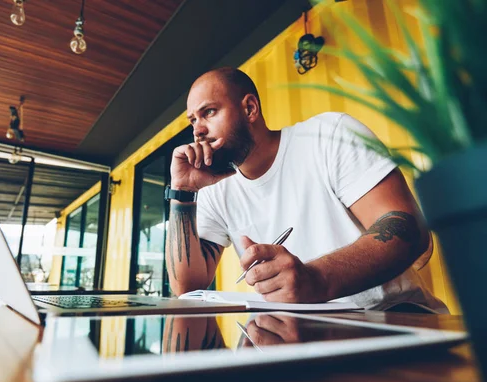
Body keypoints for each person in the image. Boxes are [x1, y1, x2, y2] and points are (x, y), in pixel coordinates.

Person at [164, 67, 447, 312]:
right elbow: (187, 286)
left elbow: (409, 229)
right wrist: (182, 191)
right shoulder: (216, 189)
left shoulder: (329, 134)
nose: (198, 130)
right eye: (193, 121)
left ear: (249, 108)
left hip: (394, 316)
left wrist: (315, 279)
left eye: (209, 112)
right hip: (299, 334)